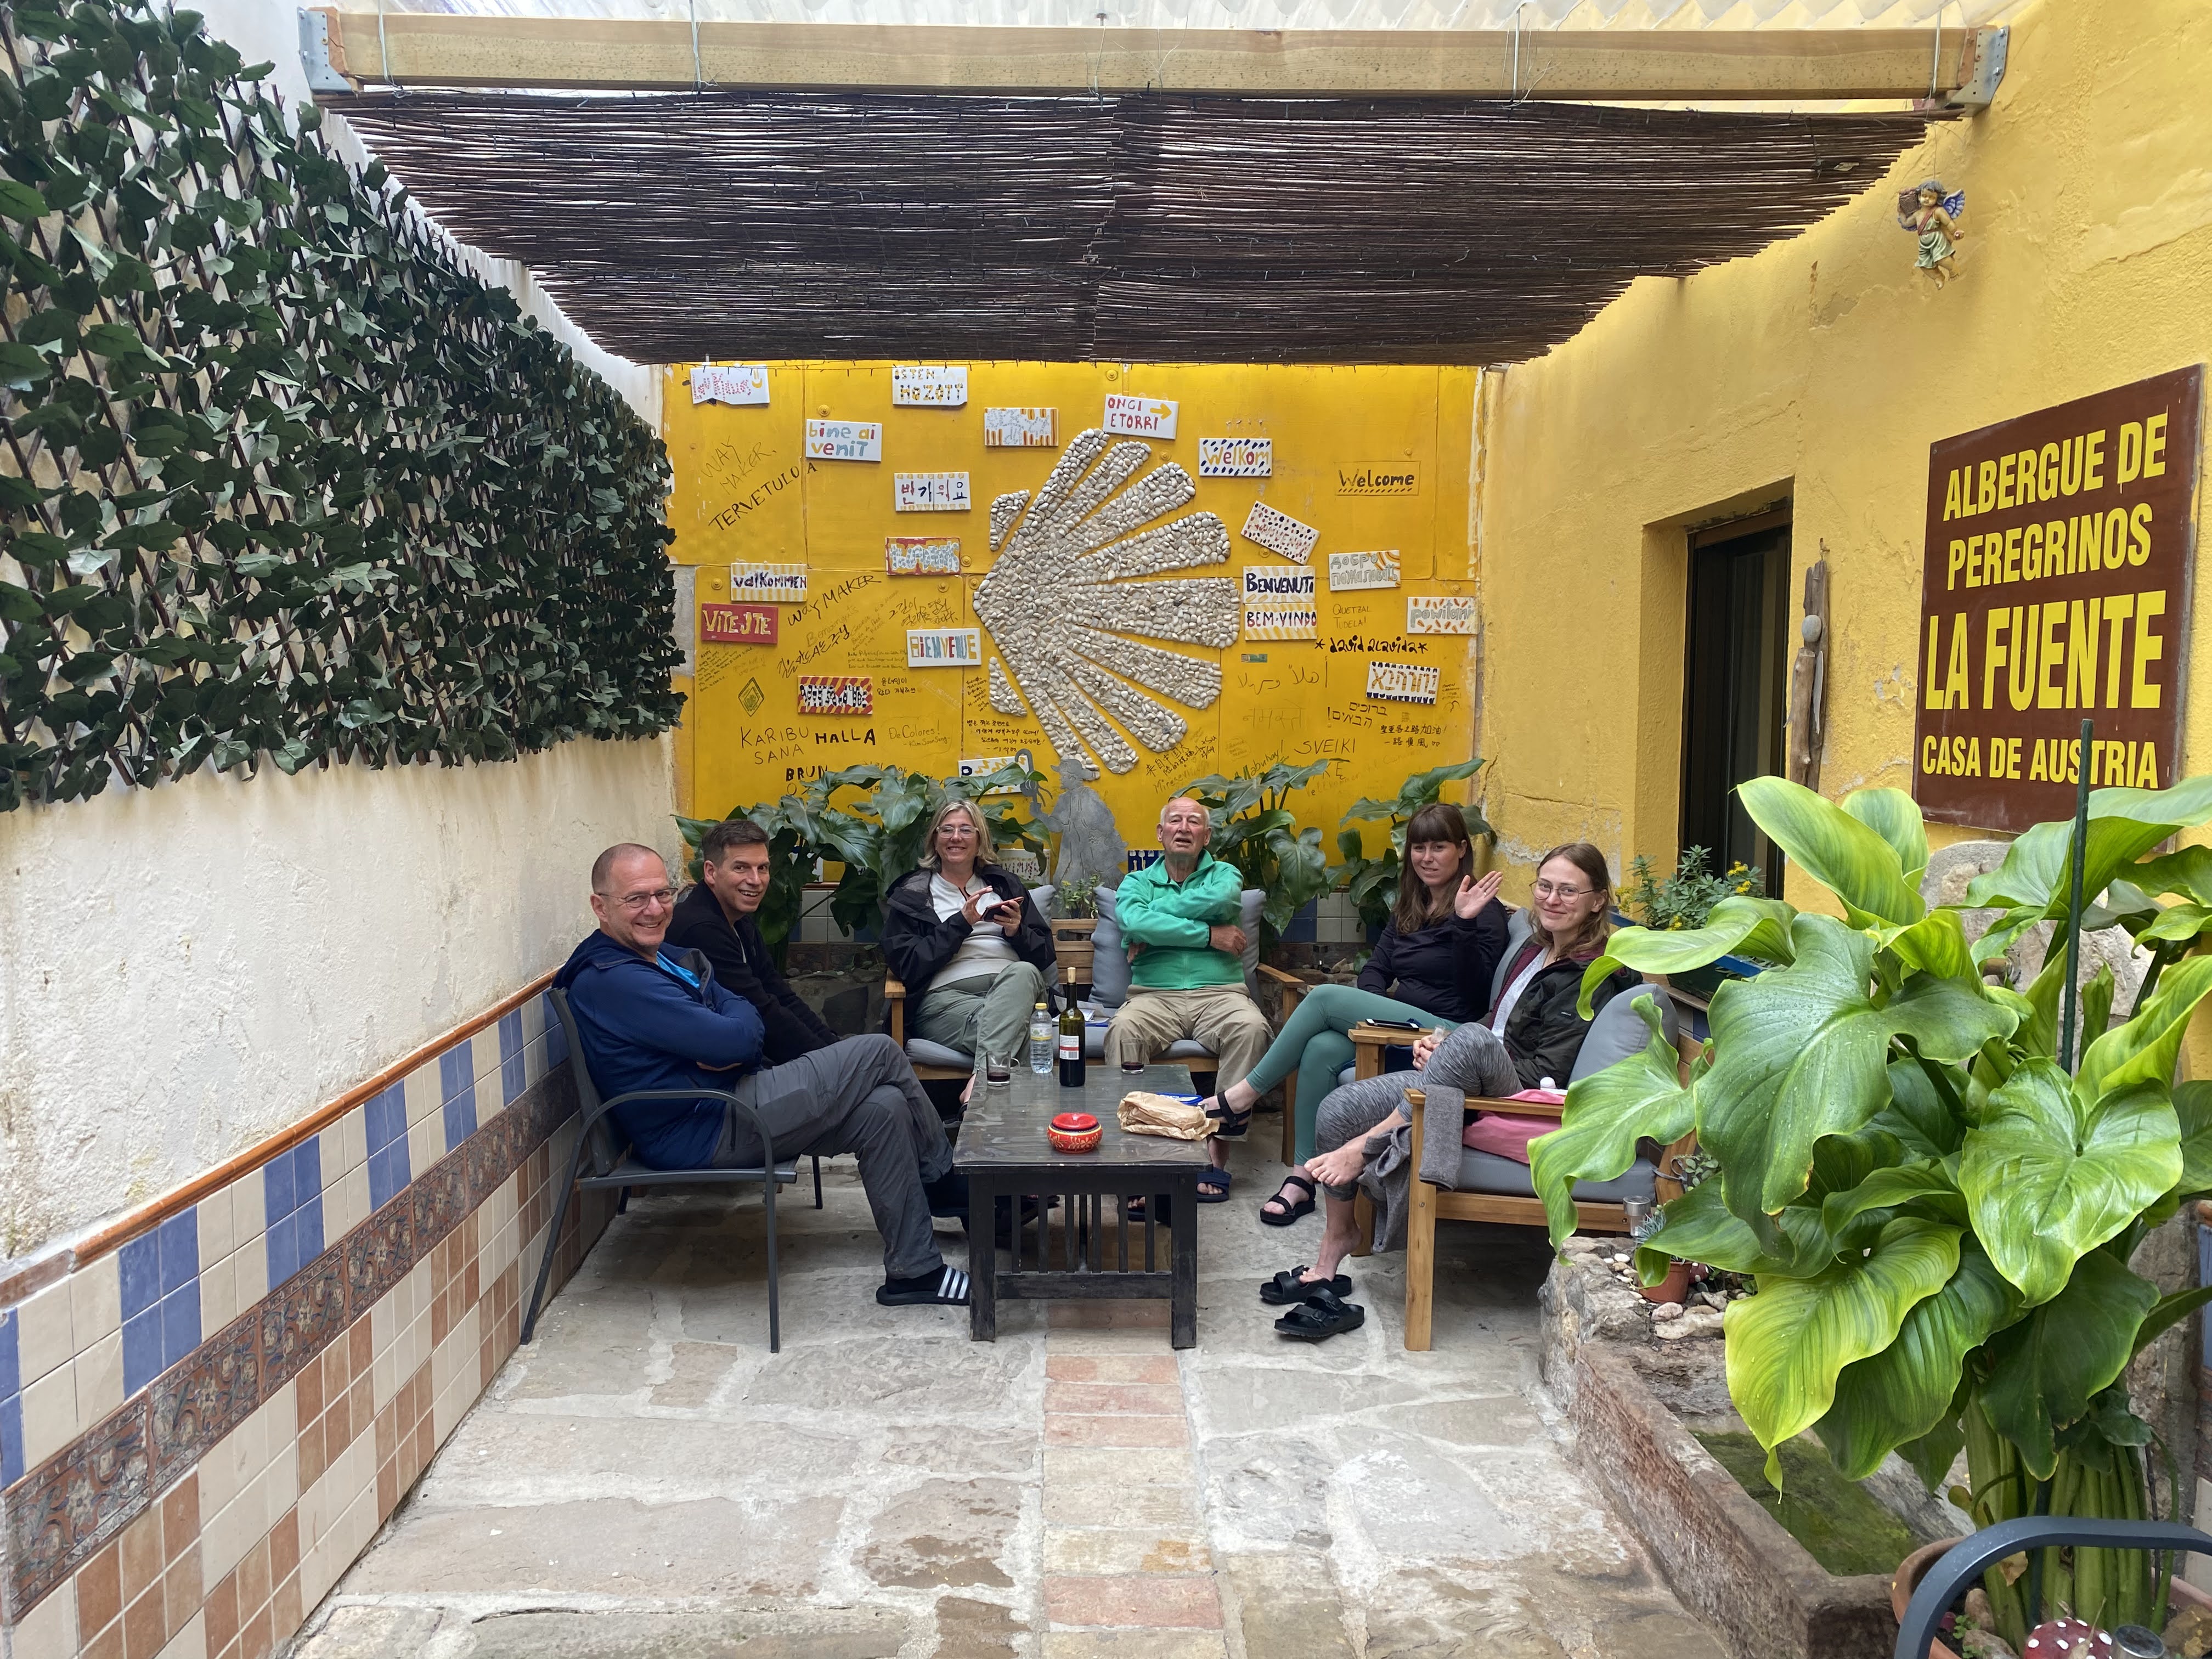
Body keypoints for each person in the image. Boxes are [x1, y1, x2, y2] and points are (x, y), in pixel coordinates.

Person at [555, 843, 971, 1308]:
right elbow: (735, 1039)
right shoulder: (617, 979)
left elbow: (734, 1003)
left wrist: (733, 1031)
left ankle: (915, 1272)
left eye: (663, 893)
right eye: (636, 898)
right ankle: (944, 1179)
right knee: (880, 1051)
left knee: (885, 1108)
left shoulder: (656, 955)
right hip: (707, 1126)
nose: (654, 909)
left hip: (726, 1100)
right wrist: (733, 1036)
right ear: (600, 906)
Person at [1262, 843, 1643, 1326]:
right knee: (1340, 1108)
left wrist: (1461, 1052)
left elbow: (1545, 1071)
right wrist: (1442, 1048)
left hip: (1528, 1099)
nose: (1552, 899)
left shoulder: (1597, 972)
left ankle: (1365, 1147)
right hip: (1479, 1074)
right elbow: (1495, 1022)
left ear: (1598, 900)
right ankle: (1337, 1243)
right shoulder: (1536, 948)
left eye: (1568, 891)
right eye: (1545, 886)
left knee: (1470, 1040)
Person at [1198, 803, 1509, 1225]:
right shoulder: (1411, 905)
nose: (1427, 857)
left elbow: (1477, 991)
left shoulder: (1482, 911)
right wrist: (1374, 1021)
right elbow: (1376, 970)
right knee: (1322, 1048)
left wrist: (1464, 923)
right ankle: (1303, 1177)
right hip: (1401, 1028)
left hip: (1447, 1040)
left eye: (1439, 847)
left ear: (1461, 849)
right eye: (1419, 848)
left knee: (1325, 998)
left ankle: (1241, 1097)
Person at [1105, 795, 1272, 1206]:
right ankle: (1138, 1158)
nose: (1184, 828)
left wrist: (1154, 922)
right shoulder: (1136, 882)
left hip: (1220, 994)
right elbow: (1132, 920)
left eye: (1194, 821)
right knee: (1123, 1030)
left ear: (1206, 836)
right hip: (1153, 996)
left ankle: (1216, 1153)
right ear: (1160, 833)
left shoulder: (1225, 875)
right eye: (1175, 821)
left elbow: (1221, 902)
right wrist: (1210, 935)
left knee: (1251, 1028)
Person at [881, 800, 1058, 1082]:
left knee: (1024, 972)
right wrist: (960, 924)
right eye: (947, 830)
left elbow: (1044, 956)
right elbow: (907, 965)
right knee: (1021, 1029)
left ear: (979, 841)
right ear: (935, 840)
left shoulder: (1005, 886)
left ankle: (979, 1086)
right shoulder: (913, 894)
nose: (956, 837)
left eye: (965, 830)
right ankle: (990, 1088)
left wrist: (1017, 932)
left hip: (1016, 991)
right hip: (945, 1002)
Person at [665, 817, 840, 1065]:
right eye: (741, 868)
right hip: (712, 1075)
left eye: (763, 868)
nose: (756, 880)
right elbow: (762, 1011)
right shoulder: (701, 929)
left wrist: (833, 1046)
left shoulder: (738, 918)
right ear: (711, 872)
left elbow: (777, 991)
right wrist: (830, 1062)